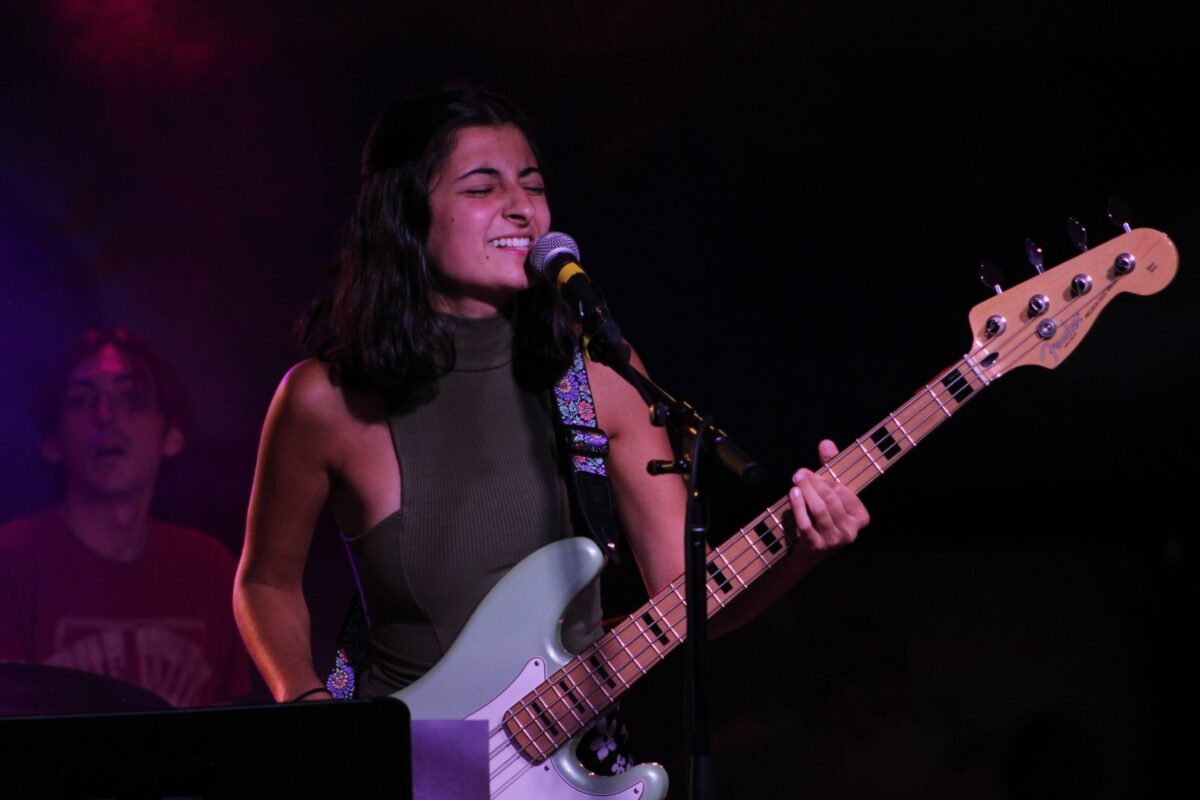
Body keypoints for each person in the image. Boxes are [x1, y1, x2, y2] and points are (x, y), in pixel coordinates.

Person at [233, 83, 868, 755]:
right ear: (407, 214)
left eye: (532, 186)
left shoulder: (600, 379)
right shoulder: (326, 399)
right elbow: (266, 582)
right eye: (483, 188)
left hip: (573, 763)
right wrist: (306, 710)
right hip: (405, 765)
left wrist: (802, 551)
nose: (521, 207)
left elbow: (687, 604)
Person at [0, 328, 252, 708]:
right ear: (52, 441)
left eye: (131, 397)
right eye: (82, 400)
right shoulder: (12, 559)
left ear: (172, 435)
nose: (106, 415)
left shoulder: (211, 567)